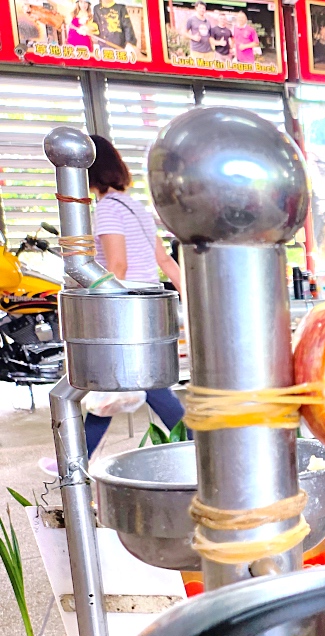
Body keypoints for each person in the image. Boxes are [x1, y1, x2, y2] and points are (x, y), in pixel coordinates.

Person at [38, 136, 186, 471]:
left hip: (125, 309)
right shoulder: (135, 206)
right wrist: (187, 301)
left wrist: (99, 309)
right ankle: (76, 460)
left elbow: (116, 267)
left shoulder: (106, 210)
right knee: (121, 386)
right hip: (148, 304)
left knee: (128, 383)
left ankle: (197, 445)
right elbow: (164, 261)